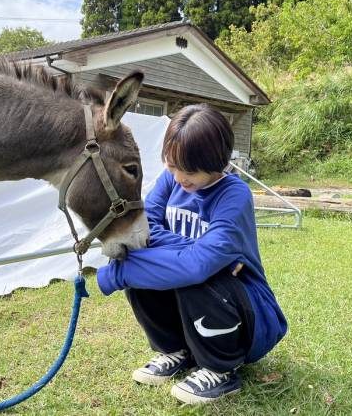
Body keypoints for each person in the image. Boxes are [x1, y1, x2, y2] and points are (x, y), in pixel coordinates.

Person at [96, 103, 287, 405]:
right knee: (141, 255)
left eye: (191, 171)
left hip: (249, 311)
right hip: (201, 283)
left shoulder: (234, 195)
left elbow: (197, 268)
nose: (180, 178)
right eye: (172, 166)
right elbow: (145, 230)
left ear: (218, 162)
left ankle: (220, 369)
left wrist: (119, 273)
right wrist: (195, 254)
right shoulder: (170, 179)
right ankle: (177, 351)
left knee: (198, 275)